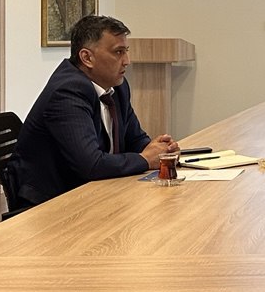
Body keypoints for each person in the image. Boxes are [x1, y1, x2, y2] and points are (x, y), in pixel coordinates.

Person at [14, 15, 179, 206]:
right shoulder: (67, 92)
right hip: (53, 202)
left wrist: (162, 151)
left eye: (126, 51)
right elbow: (91, 165)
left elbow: (135, 139)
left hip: (95, 190)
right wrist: (145, 160)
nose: (127, 61)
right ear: (87, 58)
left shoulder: (118, 87)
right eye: (118, 52)